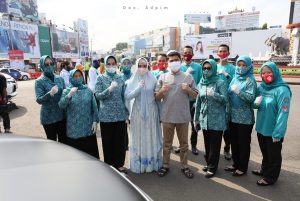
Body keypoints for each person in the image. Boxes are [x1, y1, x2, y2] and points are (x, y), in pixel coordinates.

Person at [155, 50, 198, 179]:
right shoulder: (162, 77)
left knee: (184, 144)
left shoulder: (188, 76)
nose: (174, 63)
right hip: (167, 116)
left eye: (176, 60)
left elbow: (196, 95)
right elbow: (156, 97)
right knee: (167, 144)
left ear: (180, 61)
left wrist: (188, 89)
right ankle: (165, 165)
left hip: (183, 116)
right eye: (171, 61)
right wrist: (162, 91)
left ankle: (184, 166)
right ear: (168, 62)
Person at [253, 62, 292, 186]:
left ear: (275, 72)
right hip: (261, 126)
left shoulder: (282, 90)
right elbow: (254, 103)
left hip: (273, 130)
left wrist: (278, 132)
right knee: (265, 152)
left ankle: (270, 177)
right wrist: (255, 103)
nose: (266, 75)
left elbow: (283, 113)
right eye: (263, 73)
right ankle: (265, 170)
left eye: (269, 72)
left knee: (273, 155)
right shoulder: (262, 87)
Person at [125, 57, 162, 173]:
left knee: (151, 135)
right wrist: (138, 88)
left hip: (151, 111)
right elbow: (127, 96)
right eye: (139, 66)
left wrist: (161, 113)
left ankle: (151, 163)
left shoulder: (153, 79)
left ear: (148, 67)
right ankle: (139, 163)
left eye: (144, 66)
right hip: (138, 111)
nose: (142, 68)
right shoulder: (131, 81)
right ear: (136, 66)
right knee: (138, 136)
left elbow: (157, 97)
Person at [194, 59, 228, 178]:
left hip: (217, 118)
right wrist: (196, 118)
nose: (206, 70)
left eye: (209, 68)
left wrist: (215, 94)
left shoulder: (220, 82)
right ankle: (209, 163)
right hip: (205, 118)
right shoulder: (201, 82)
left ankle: (213, 168)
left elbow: (226, 100)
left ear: (213, 69)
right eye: (204, 68)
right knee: (207, 143)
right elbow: (198, 102)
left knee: (215, 144)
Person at [95, 55, 128, 173]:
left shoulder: (120, 78)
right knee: (108, 142)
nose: (111, 66)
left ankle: (119, 164)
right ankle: (109, 165)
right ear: (105, 64)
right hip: (106, 116)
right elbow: (98, 95)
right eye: (108, 64)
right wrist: (109, 89)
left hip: (119, 114)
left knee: (120, 141)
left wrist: (126, 113)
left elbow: (124, 97)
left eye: (113, 63)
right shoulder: (100, 78)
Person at [225, 55, 257, 176]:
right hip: (232, 116)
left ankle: (242, 167)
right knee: (234, 142)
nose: (241, 67)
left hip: (245, 118)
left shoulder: (250, 80)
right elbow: (229, 92)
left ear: (249, 66)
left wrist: (239, 92)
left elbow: (250, 98)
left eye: (244, 65)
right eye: (239, 65)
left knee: (243, 144)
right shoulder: (235, 78)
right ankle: (235, 164)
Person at [59, 69, 99, 158]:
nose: (78, 78)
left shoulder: (88, 90)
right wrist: (69, 95)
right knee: (76, 156)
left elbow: (94, 107)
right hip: (74, 129)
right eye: (75, 76)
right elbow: (61, 105)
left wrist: (95, 120)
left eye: (79, 76)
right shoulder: (66, 91)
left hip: (87, 128)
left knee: (90, 155)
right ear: (71, 77)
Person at [35, 55, 67, 143]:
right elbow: (39, 99)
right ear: (42, 66)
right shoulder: (39, 81)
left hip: (61, 115)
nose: (49, 66)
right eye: (46, 64)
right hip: (49, 117)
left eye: (51, 63)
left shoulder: (60, 78)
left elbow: (64, 94)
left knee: (63, 141)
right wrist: (50, 94)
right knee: (52, 143)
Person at [178, 45, 202, 155]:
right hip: (181, 101)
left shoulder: (198, 67)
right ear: (182, 55)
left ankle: (193, 145)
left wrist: (198, 99)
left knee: (194, 124)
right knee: (181, 125)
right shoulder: (179, 67)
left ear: (192, 54)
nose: (187, 55)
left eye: (189, 53)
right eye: (185, 53)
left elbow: (201, 82)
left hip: (193, 100)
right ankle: (181, 145)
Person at [217, 44, 236, 161]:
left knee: (228, 128)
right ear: (217, 53)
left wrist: (227, 76)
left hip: (229, 101)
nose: (222, 53)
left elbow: (236, 83)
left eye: (224, 51)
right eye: (220, 51)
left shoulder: (233, 68)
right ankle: (214, 149)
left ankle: (227, 147)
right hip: (217, 100)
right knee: (218, 126)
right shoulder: (214, 67)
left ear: (228, 53)